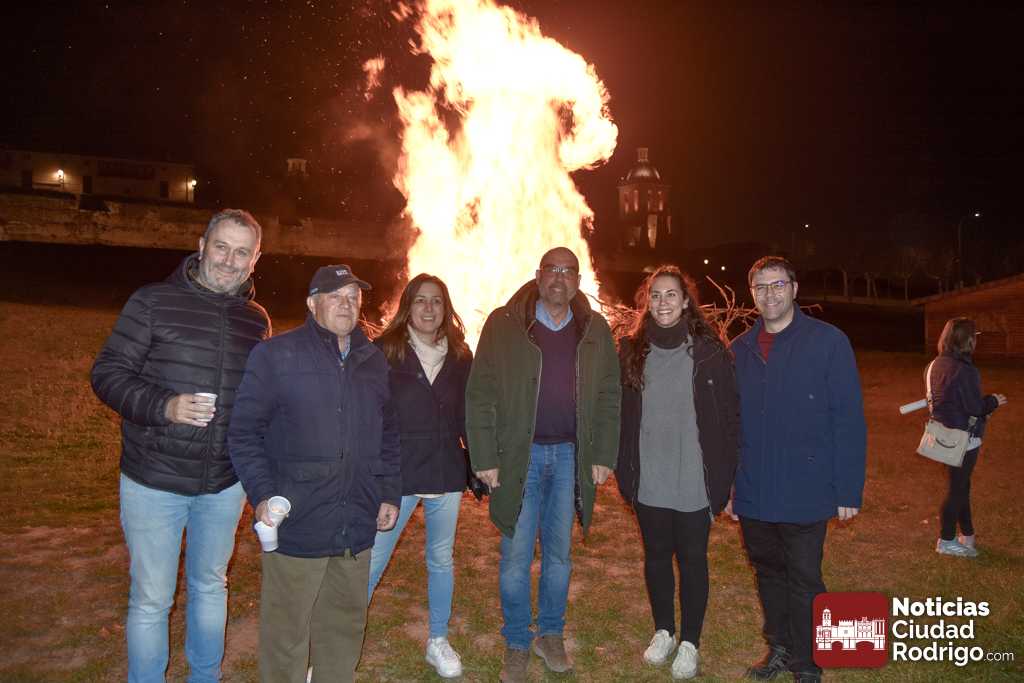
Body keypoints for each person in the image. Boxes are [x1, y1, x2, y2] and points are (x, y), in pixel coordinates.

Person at [90, 209, 270, 683]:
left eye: (242, 252)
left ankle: (205, 677)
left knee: (211, 585)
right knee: (152, 598)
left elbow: (258, 400)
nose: (229, 261)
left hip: (223, 485)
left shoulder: (255, 321)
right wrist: (164, 405)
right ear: (201, 245)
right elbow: (107, 373)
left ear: (255, 260)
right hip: (155, 480)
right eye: (221, 247)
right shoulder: (152, 302)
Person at [227, 264, 400, 683]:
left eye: (353, 297)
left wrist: (389, 491)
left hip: (355, 521)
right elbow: (244, 432)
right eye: (335, 296)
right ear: (312, 303)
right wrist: (262, 494)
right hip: (298, 519)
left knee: (343, 628)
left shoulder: (373, 360)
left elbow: (389, 432)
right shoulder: (275, 356)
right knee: (287, 632)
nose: (346, 304)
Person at [466, 246, 621, 683]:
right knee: (516, 555)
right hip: (521, 457)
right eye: (552, 269)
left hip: (570, 456)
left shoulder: (594, 328)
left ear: (578, 281)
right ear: (538, 276)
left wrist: (603, 454)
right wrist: (484, 456)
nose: (559, 278)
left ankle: (550, 634)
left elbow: (609, 394)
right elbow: (480, 392)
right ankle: (517, 640)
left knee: (559, 555)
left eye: (568, 271)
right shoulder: (504, 324)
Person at [730, 256, 866, 683]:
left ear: (794, 289)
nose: (769, 294)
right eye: (760, 287)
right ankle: (780, 647)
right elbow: (731, 424)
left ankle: (807, 663)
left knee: (805, 578)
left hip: (806, 485)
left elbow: (848, 418)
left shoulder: (828, 342)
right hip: (754, 487)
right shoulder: (740, 350)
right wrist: (730, 488)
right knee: (768, 573)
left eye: (777, 285)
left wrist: (848, 489)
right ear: (752, 294)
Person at [615, 266, 739, 680]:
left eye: (671, 294)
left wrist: (729, 475)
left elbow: (730, 416)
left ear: (686, 301)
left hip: (693, 476)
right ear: (646, 302)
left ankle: (690, 642)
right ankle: (664, 631)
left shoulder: (709, 352)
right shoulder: (631, 351)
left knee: (692, 559)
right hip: (650, 473)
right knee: (655, 556)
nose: (663, 302)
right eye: (656, 295)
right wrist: (623, 467)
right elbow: (620, 414)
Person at [367, 273, 474, 679]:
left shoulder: (461, 355)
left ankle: (438, 640)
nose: (429, 308)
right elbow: (371, 415)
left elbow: (467, 415)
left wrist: (478, 463)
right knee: (372, 559)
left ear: (446, 309)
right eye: (421, 300)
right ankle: (337, 643)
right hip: (397, 474)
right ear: (407, 306)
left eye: (437, 301)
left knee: (441, 558)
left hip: (445, 471)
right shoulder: (384, 351)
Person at [926, 317, 1008, 557]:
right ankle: (946, 540)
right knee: (957, 490)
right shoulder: (965, 370)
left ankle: (967, 535)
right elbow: (975, 407)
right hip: (963, 439)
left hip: (941, 436)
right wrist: (993, 401)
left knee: (961, 486)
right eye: (975, 336)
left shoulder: (934, 365)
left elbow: (945, 401)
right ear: (968, 340)